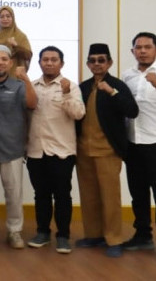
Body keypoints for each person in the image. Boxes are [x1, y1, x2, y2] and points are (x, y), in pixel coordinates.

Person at [76, 43, 138, 257]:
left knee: (110, 197)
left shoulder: (117, 85)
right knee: (89, 195)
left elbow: (132, 110)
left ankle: (114, 239)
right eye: (92, 60)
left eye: (101, 60)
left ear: (109, 62)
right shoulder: (82, 87)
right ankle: (94, 235)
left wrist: (112, 92)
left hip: (108, 150)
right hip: (84, 149)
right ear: (87, 64)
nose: (96, 64)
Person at [26, 46, 85, 254]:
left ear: (61, 63)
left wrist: (67, 93)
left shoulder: (71, 86)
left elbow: (78, 114)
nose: (49, 63)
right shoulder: (32, 86)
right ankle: (42, 232)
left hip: (61, 151)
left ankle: (63, 236)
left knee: (62, 195)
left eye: (54, 60)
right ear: (40, 63)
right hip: (35, 151)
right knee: (40, 194)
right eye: (45, 59)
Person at [0, 44, 37, 249]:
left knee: (13, 194)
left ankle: (14, 231)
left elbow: (32, 104)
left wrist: (27, 80)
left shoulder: (19, 85)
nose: (0, 62)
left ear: (11, 63)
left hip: (12, 148)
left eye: (4, 59)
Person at [122, 32, 156, 251]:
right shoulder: (127, 76)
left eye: (147, 47)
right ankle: (143, 235)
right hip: (133, 143)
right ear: (132, 50)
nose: (142, 50)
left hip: (155, 142)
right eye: (138, 47)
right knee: (138, 192)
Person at [0, 6, 33, 76]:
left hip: (16, 78)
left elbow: (28, 55)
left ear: (13, 18)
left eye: (8, 16)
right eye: (2, 17)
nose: (5, 19)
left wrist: (16, 46)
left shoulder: (20, 36)